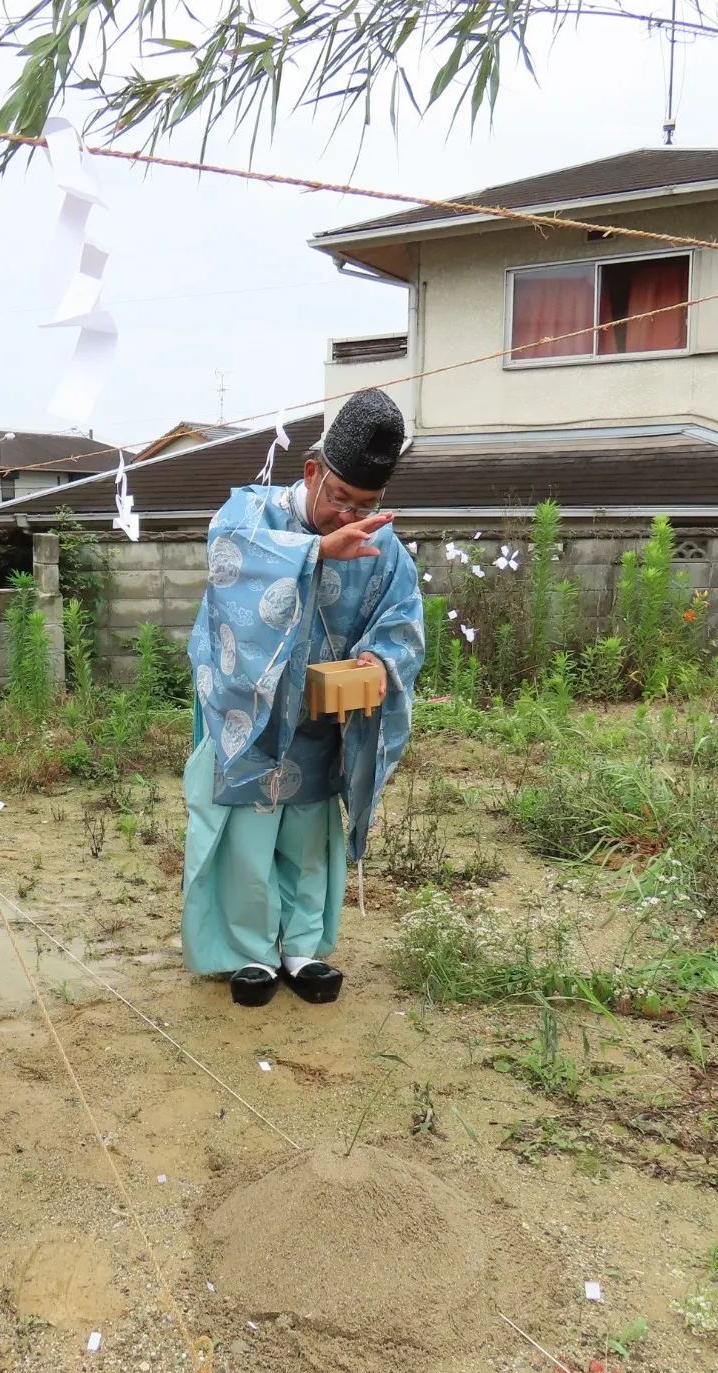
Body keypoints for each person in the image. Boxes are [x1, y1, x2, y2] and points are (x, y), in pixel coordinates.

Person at [180, 389, 425, 1007]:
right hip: (249, 713)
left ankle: (304, 947)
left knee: (309, 836)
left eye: (366, 504)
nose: (351, 516)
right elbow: (227, 559)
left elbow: (401, 619)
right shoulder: (250, 512)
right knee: (247, 838)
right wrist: (315, 551)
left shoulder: (383, 545)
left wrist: (377, 660)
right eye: (340, 498)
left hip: (322, 720)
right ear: (312, 472)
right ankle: (251, 954)